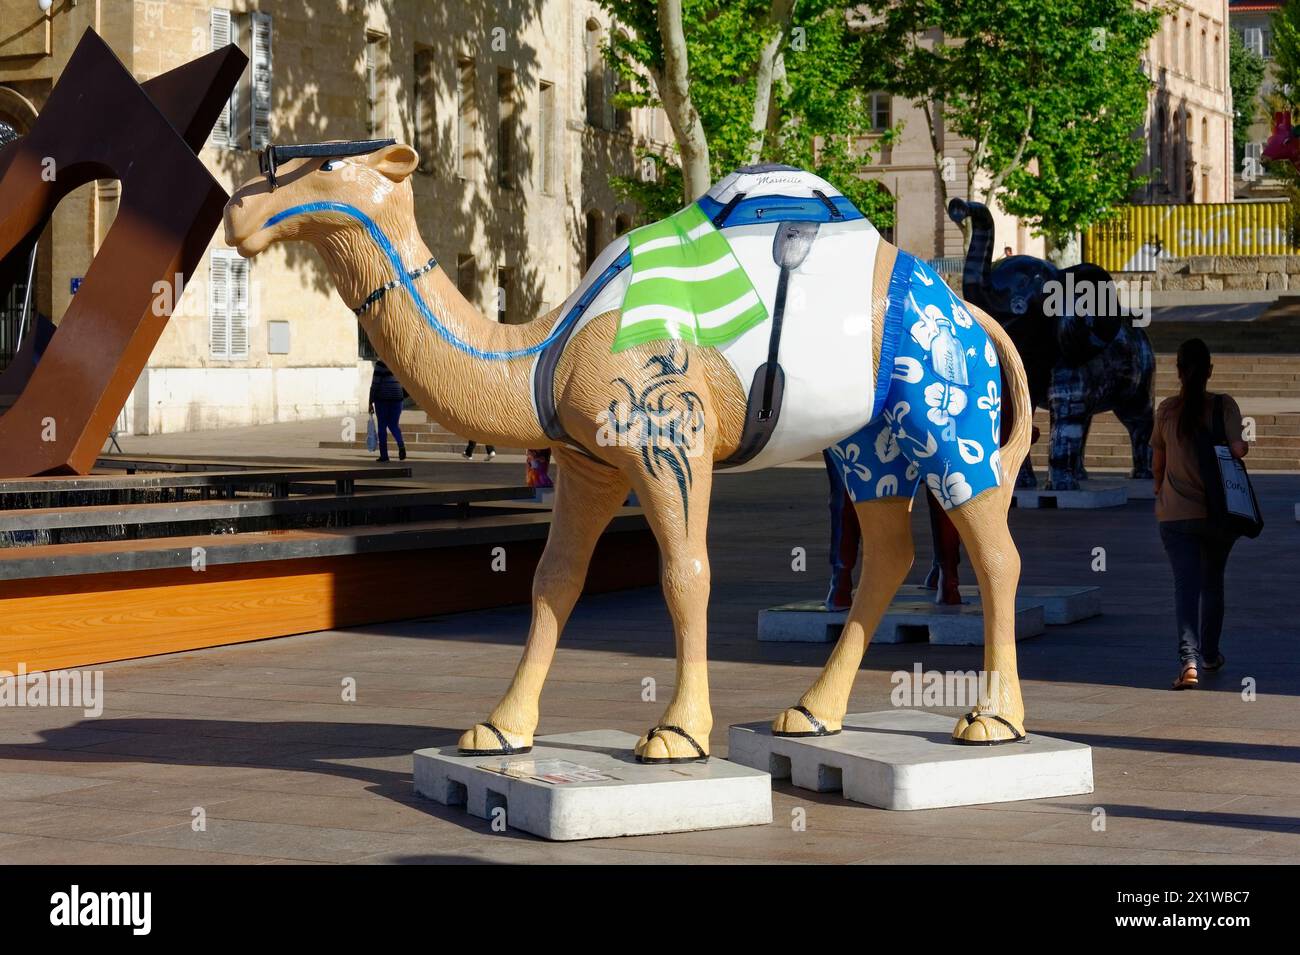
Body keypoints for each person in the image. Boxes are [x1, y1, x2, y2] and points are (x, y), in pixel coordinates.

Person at [1152, 338, 1248, 690]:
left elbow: (1157, 464)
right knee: (1212, 584)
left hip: (1175, 514)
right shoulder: (1224, 406)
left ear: (1178, 371)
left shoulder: (1166, 410)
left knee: (1185, 586)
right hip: (1218, 513)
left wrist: (1159, 493)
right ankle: (1209, 653)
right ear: (1210, 371)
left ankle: (1187, 662)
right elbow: (1239, 449)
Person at [368, 360, 407, 462]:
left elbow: (375, 384)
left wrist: (370, 402)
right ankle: (401, 445)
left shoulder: (380, 364)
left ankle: (384, 456)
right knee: (394, 425)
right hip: (397, 398)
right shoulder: (398, 363)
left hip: (382, 398)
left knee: (382, 427)